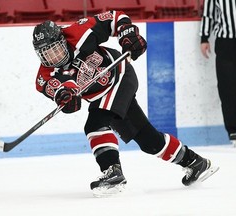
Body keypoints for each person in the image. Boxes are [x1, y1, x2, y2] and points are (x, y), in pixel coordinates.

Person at [32, 11, 219, 197]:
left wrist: (128, 35)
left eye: (55, 49)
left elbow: (115, 17)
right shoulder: (44, 77)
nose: (54, 57)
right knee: (148, 141)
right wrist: (66, 97)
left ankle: (112, 171)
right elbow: (60, 90)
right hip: (102, 95)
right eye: (47, 54)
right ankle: (195, 163)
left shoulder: (79, 31)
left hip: (120, 74)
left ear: (63, 39)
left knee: (95, 123)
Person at [200, 0, 236, 147]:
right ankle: (234, 130)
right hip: (226, 42)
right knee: (227, 87)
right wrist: (204, 37)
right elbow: (209, 14)